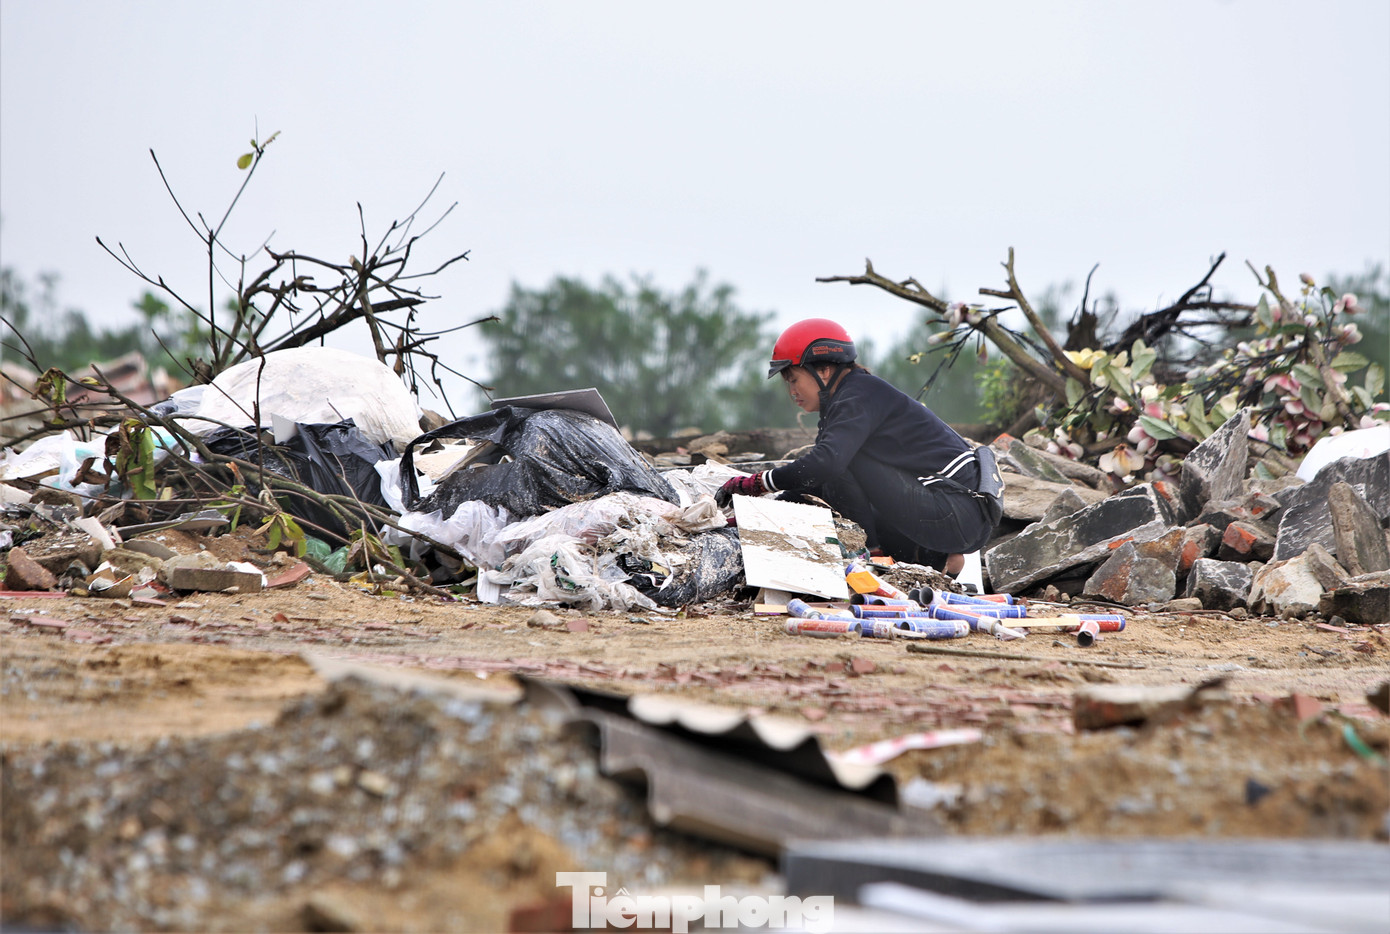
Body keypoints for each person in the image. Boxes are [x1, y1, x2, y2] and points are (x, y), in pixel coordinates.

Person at [715, 318, 1002, 574]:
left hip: (954, 511)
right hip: (960, 519)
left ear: (824, 370)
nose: (792, 392)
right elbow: (814, 482)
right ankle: (937, 559)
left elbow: (826, 465)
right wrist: (761, 515)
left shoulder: (858, 395)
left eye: (793, 380)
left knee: (838, 461)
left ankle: (871, 562)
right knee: (832, 480)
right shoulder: (852, 397)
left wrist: (758, 483)